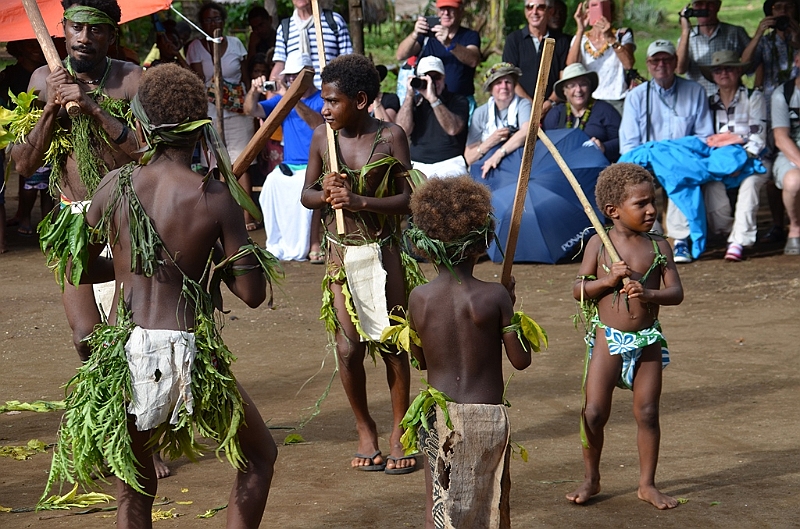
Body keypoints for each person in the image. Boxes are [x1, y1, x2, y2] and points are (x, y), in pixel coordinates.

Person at [42, 63, 279, 529]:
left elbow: (80, 266)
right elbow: (252, 292)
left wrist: (129, 268)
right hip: (191, 354)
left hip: (124, 351)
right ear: (200, 128)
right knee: (258, 456)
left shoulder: (114, 186)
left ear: (142, 126)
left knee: (134, 486)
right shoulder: (213, 197)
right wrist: (215, 256)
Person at [300, 54, 425, 474]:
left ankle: (399, 432)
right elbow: (306, 195)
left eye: (332, 101)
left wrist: (360, 200)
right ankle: (364, 428)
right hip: (341, 251)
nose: (325, 109)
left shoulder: (391, 136)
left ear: (360, 99)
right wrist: (325, 193)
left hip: (383, 250)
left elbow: (410, 200)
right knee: (348, 346)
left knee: (392, 343)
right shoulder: (323, 138)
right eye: (323, 100)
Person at [400, 175, 543, 529]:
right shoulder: (493, 297)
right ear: (483, 242)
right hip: (488, 420)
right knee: (492, 502)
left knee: (441, 502)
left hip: (439, 419)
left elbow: (418, 359)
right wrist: (509, 309)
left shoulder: (418, 299)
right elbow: (521, 361)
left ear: (424, 245)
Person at [10, 0, 141, 360]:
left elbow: (147, 152)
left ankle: (130, 411)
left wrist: (93, 107)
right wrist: (51, 107)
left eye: (96, 29)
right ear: (63, 28)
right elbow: (23, 164)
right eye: (77, 28)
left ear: (111, 35)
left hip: (128, 213)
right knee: (85, 336)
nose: (85, 38)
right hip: (75, 220)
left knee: (124, 332)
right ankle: (101, 405)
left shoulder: (131, 78)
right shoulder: (41, 79)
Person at [567, 163, 684, 510]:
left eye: (653, 202)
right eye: (641, 204)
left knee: (648, 412)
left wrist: (648, 296)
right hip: (608, 340)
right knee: (593, 413)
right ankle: (591, 478)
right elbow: (578, 289)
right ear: (612, 211)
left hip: (646, 340)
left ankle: (647, 484)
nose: (651, 210)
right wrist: (606, 281)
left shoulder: (659, 246)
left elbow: (676, 292)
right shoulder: (598, 245)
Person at [619, 40, 715, 263]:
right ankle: (652, 237)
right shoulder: (636, 96)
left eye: (666, 59)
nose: (661, 64)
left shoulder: (694, 90)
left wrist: (671, 154)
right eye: (655, 60)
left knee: (679, 175)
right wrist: (657, 154)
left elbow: (704, 136)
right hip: (646, 161)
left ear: (675, 62)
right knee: (631, 182)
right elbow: (628, 144)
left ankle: (680, 240)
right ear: (648, 64)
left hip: (681, 160)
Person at [186, 2, 258, 231]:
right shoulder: (196, 47)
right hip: (210, 112)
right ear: (201, 23)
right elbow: (198, 81)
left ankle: (248, 216)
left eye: (216, 19)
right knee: (218, 165)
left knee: (241, 161)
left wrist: (252, 110)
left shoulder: (236, 44)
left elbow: (245, 78)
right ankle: (225, 216)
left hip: (238, 112)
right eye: (207, 20)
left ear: (223, 21)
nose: (212, 23)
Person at [245, 51, 324, 262]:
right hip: (288, 165)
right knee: (270, 186)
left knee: (309, 188)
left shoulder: (322, 98)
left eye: (294, 76)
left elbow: (318, 124)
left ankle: (313, 241)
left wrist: (291, 97)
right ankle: (278, 242)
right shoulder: (282, 99)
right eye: (288, 76)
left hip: (315, 164)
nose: (290, 80)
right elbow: (252, 110)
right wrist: (254, 91)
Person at [741, 0, 800, 243]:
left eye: (788, 6)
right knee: (773, 163)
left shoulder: (797, 34)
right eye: (777, 8)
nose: (782, 12)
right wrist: (757, 34)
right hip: (769, 108)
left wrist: (796, 31)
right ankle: (778, 223)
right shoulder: (765, 40)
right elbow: (744, 66)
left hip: (794, 100)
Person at [701, 50, 767, 261]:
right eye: (718, 69)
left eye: (729, 68)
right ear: (712, 75)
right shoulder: (709, 103)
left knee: (750, 185)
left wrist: (739, 161)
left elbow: (759, 138)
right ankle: (730, 231)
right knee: (711, 186)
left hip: (754, 160)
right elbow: (705, 138)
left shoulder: (753, 98)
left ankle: (738, 242)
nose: (723, 73)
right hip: (720, 164)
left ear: (739, 71)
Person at [0, 39, 51, 238]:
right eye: (31, 46)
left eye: (39, 45)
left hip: (46, 129)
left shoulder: (50, 71)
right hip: (21, 131)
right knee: (30, 175)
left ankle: (42, 221)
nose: (36, 50)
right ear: (20, 49)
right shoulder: (10, 74)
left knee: (43, 181)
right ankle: (25, 216)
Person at [395, 0, 481, 106]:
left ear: (460, 11)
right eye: (442, 9)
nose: (446, 13)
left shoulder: (469, 35)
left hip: (460, 102)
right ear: (437, 11)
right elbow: (400, 55)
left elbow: (473, 60)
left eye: (451, 9)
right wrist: (415, 34)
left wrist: (449, 44)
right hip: (428, 100)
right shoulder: (427, 35)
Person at [397, 56, 469, 178]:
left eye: (436, 78)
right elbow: (402, 130)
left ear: (444, 78)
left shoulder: (458, 100)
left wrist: (433, 100)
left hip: (449, 163)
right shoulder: (413, 102)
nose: (433, 83)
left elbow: (453, 129)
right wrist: (409, 96)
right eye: (428, 78)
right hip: (417, 163)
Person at [566, 0, 636, 116]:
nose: (598, 11)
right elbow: (571, 67)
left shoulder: (621, 35)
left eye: (603, 6)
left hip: (616, 100)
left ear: (610, 10)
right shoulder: (581, 39)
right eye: (592, 6)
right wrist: (580, 30)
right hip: (589, 101)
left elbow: (628, 64)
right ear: (586, 11)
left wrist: (610, 38)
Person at [543, 63, 621, 162]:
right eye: (572, 86)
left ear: (589, 88)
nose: (578, 90)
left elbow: (622, 142)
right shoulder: (555, 114)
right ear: (564, 91)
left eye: (583, 84)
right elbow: (546, 145)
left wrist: (604, 147)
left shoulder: (605, 111)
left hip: (597, 168)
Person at [464, 62, 531, 178]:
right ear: (490, 89)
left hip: (517, 166)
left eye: (508, 82)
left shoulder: (523, 104)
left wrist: (498, 154)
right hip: (486, 169)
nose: (504, 86)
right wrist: (491, 141)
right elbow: (469, 158)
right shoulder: (480, 113)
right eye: (498, 83)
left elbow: (526, 132)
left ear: (514, 85)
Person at [502, 0, 572, 110]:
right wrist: (532, 106)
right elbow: (509, 77)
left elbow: (563, 78)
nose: (534, 12)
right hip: (520, 107)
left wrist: (549, 103)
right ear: (525, 12)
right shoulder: (514, 40)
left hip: (553, 107)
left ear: (550, 11)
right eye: (530, 7)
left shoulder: (561, 41)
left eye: (540, 7)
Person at [269, 0, 353, 90]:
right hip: (296, 97)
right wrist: (272, 90)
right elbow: (280, 63)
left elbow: (347, 60)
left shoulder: (335, 21)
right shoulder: (285, 28)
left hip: (329, 93)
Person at [676, 0, 750, 96]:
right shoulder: (686, 39)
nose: (704, 8)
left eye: (710, 4)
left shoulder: (735, 32)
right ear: (693, 9)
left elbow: (756, 60)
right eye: (699, 4)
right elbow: (680, 69)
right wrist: (685, 31)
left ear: (718, 6)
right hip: (699, 98)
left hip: (731, 99)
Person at [770, 49, 800, 255]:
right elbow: (781, 138)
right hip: (791, 152)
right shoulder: (783, 93)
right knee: (794, 181)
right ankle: (795, 227)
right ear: (797, 61)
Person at [247, 5, 277, 73]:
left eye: (261, 25)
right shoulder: (256, 43)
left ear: (270, 20)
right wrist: (252, 46)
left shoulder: (282, 38)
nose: (259, 30)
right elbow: (249, 69)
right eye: (255, 28)